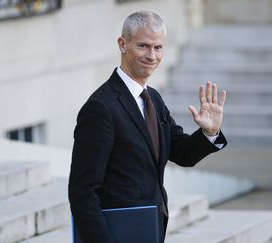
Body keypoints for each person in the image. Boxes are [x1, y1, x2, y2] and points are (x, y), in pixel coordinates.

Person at [68, 10, 227, 243]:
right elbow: (82, 193)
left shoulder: (153, 98)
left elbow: (182, 153)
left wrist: (209, 133)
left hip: (152, 227)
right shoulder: (100, 108)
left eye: (158, 47)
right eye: (143, 46)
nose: (152, 55)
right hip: (117, 233)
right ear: (123, 44)